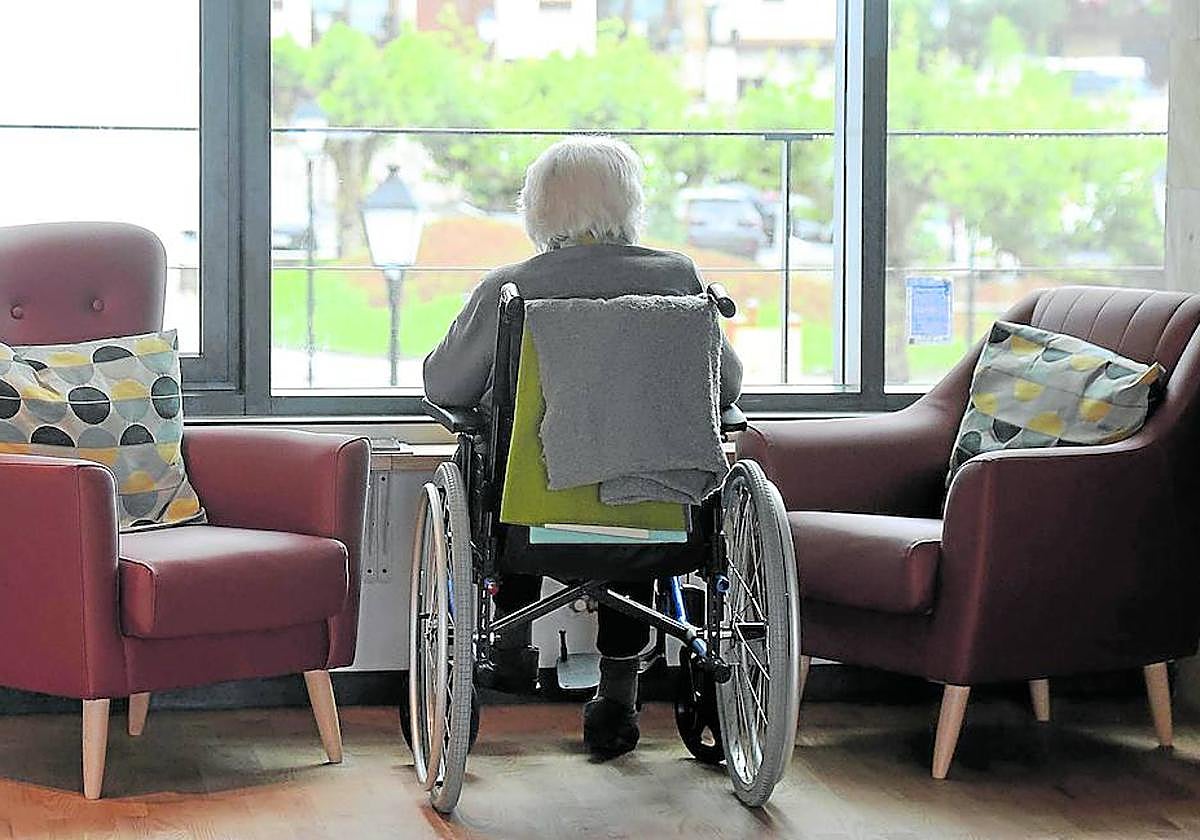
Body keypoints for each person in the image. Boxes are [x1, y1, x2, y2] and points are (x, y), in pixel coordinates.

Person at [424, 136, 742, 758]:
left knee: (506, 459)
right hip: (655, 513)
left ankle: (510, 643)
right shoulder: (679, 279)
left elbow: (445, 384)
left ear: (539, 208)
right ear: (629, 203)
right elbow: (724, 387)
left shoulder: (511, 288)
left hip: (529, 514)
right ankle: (619, 691)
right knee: (638, 465)